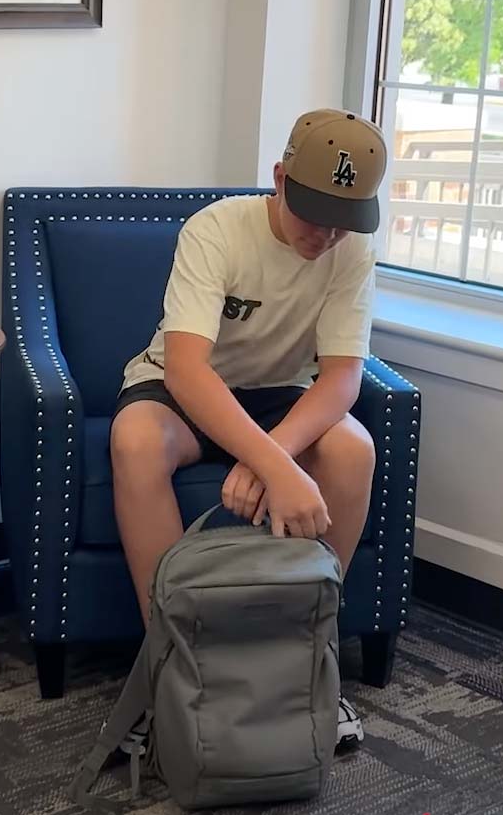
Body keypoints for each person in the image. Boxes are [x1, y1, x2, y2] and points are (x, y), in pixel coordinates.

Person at [109, 109, 387, 753]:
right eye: (313, 213)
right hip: (182, 389)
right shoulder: (217, 230)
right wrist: (272, 464)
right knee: (135, 443)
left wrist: (273, 457)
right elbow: (185, 368)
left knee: (352, 449)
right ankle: (169, 669)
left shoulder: (353, 250)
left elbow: (343, 376)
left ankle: (310, 662)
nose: (325, 235)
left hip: (279, 397)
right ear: (279, 177)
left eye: (344, 220)